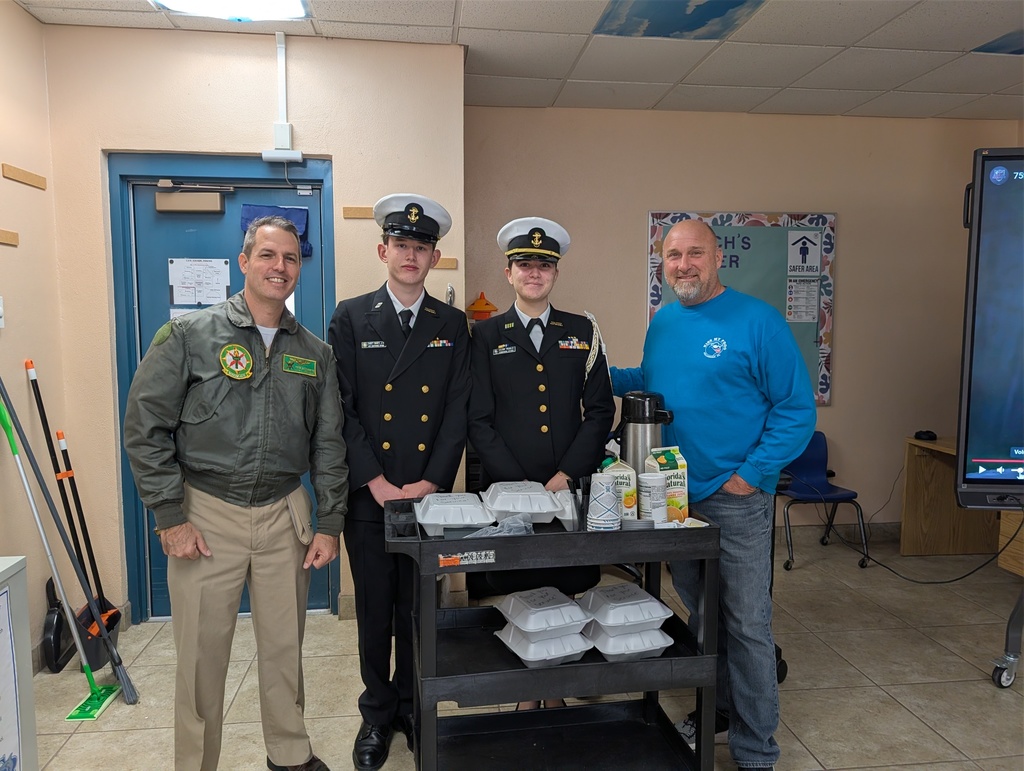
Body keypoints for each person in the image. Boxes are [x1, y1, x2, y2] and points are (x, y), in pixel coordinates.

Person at [124, 215, 348, 771]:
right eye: (268, 256)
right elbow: (145, 426)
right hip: (206, 515)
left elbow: (328, 445)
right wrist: (169, 515)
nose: (280, 267)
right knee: (202, 659)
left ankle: (290, 755)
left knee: (282, 650)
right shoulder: (188, 337)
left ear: (300, 269)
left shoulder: (315, 354)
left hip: (283, 514)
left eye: (291, 258)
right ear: (244, 262)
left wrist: (330, 522)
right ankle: (196, 763)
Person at [610, 219, 815, 771]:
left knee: (746, 623)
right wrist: (587, 370)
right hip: (675, 496)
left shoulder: (758, 322)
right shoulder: (665, 320)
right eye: (672, 255)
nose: (683, 265)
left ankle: (755, 751)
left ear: (718, 256)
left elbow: (796, 410)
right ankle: (719, 710)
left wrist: (751, 474)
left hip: (737, 499)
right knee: (704, 617)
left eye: (694, 253)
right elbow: (653, 378)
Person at [328, 194, 471, 771]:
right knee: (375, 612)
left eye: (422, 247)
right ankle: (377, 712)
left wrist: (434, 480)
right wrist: (375, 481)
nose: (411, 256)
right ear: (383, 250)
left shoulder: (452, 324)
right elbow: (340, 407)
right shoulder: (349, 316)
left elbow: (457, 409)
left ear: (434, 257)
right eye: (402, 246)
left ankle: (415, 705)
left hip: (427, 497)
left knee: (420, 611)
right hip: (371, 496)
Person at [467, 217, 615, 707]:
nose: (535, 272)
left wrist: (565, 475)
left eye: (544, 265)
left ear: (555, 274)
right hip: (509, 493)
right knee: (519, 587)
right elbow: (479, 420)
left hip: (568, 490)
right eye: (524, 264)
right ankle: (526, 690)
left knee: (566, 584)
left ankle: (557, 689)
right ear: (509, 273)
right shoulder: (486, 336)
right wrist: (523, 485)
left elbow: (599, 412)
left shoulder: (582, 331)